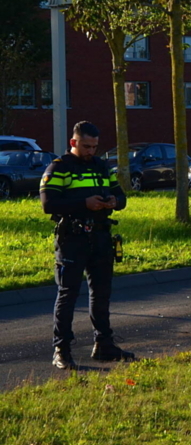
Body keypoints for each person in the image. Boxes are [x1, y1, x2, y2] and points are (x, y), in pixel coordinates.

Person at [40, 121, 134, 370]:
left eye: (94, 146)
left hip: (101, 236)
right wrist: (85, 203)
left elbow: (122, 196)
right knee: (68, 294)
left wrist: (114, 201)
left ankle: (104, 344)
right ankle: (61, 350)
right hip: (72, 238)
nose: (91, 151)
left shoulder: (102, 166)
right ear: (74, 142)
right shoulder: (59, 167)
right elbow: (48, 204)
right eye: (86, 146)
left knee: (101, 293)